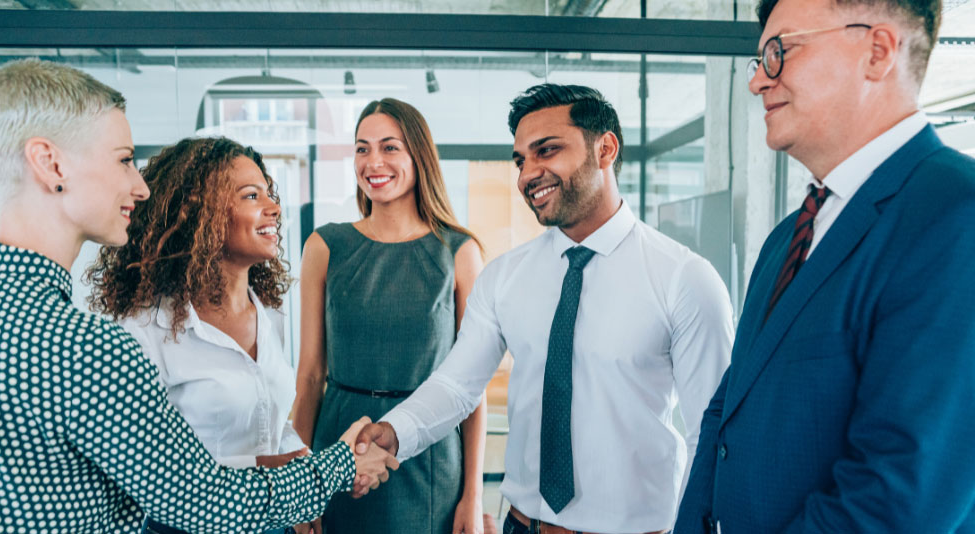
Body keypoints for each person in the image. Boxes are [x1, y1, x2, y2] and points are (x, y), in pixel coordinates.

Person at [0, 58, 396, 534]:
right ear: (50, 163)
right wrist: (340, 467)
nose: (139, 187)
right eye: (123, 159)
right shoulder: (88, 348)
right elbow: (204, 502)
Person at [355, 84, 734, 534]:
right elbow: (458, 386)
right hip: (523, 524)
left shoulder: (684, 279)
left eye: (546, 151)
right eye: (520, 160)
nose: (528, 174)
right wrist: (394, 431)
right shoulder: (505, 276)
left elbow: (711, 433)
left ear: (606, 149)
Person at [673, 0, 975, 531]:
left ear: (877, 52)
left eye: (779, 52)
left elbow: (896, 498)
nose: (758, 83)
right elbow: (726, 412)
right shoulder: (787, 238)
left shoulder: (954, 214)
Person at [86, 137, 319, 534]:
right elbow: (147, 472)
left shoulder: (268, 311)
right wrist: (271, 472)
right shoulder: (143, 329)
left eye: (269, 192)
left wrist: (299, 474)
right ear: (200, 215)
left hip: (272, 522)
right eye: (251, 195)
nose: (274, 208)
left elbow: (273, 420)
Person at [291, 97, 487, 534]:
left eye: (389, 147)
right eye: (362, 148)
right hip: (338, 451)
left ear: (419, 155)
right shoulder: (325, 247)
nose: (373, 161)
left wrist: (472, 498)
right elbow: (308, 379)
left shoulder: (460, 253)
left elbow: (471, 391)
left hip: (429, 458)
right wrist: (300, 490)